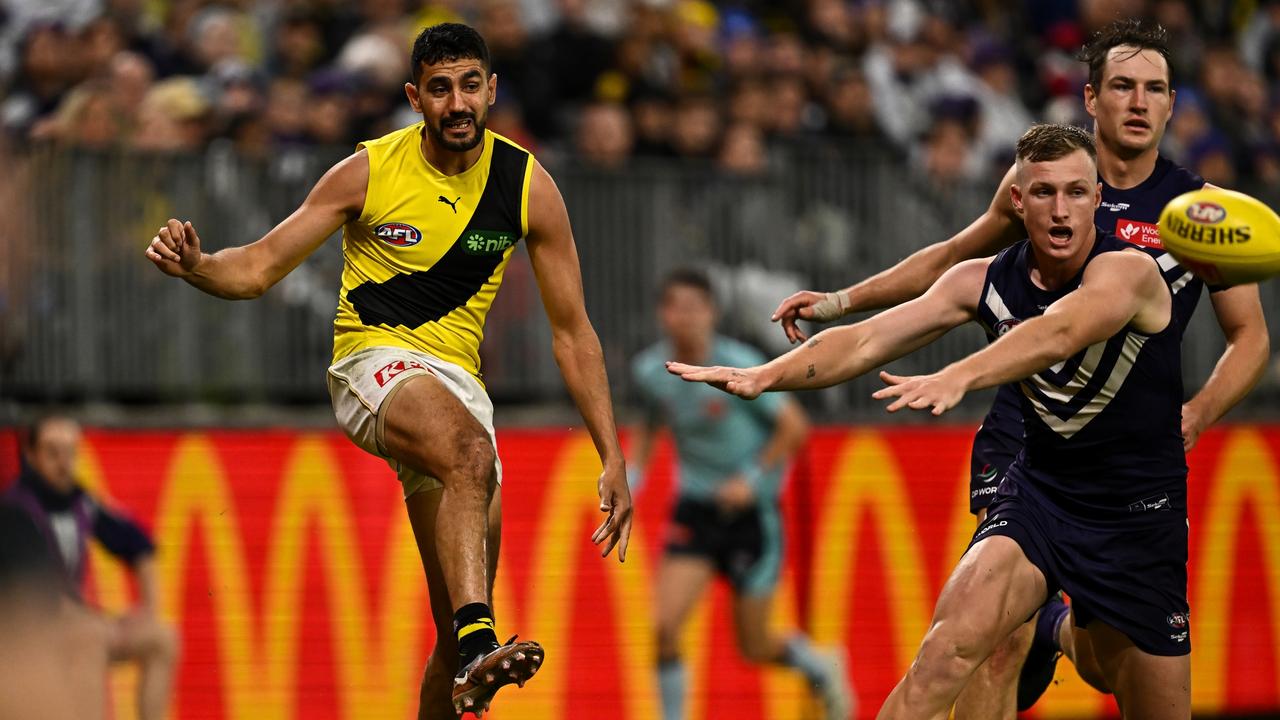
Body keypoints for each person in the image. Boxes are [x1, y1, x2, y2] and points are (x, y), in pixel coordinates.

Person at [769, 18, 1269, 717]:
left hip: (1131, 464)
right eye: (1122, 86)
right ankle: (1029, 623)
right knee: (985, 640)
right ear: (1090, 99)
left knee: (1107, 665)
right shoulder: (1048, 176)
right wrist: (842, 301)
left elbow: (1250, 338)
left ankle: (1061, 631)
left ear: (1172, 103)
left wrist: (1199, 412)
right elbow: (952, 260)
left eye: (1153, 88)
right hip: (1029, 437)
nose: (1137, 102)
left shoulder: (1200, 215)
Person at [144, 23, 634, 719]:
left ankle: (466, 658)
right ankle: (478, 645)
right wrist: (196, 265)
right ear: (415, 97)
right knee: (471, 464)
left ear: (492, 90)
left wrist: (611, 453)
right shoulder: (367, 172)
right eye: (440, 89)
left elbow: (573, 333)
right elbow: (255, 269)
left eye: (470, 85)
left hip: (458, 390)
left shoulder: (528, 186)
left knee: (451, 626)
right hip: (370, 364)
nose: (457, 103)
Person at [671, 123, 1194, 720]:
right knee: (944, 654)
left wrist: (962, 375)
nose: (1061, 210)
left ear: (1098, 200)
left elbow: (1060, 332)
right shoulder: (984, 281)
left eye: (1077, 193)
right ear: (1017, 202)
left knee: (1113, 671)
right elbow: (866, 342)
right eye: (1044, 193)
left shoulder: (1129, 272)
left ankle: (1056, 630)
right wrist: (768, 374)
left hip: (1137, 519)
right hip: (1043, 500)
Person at [629, 269, 853, 720]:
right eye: (676, 307)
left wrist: (750, 479)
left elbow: (795, 427)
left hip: (752, 517)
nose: (685, 318)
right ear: (663, 314)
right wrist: (629, 480)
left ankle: (819, 663)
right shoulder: (652, 371)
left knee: (753, 646)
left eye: (695, 308)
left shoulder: (740, 364)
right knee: (664, 627)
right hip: (696, 509)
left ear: (712, 313)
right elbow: (652, 425)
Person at [3, 415, 176, 720]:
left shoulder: (81, 502)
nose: (63, 463)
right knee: (89, 638)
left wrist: (149, 608)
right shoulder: (17, 509)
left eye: (70, 453)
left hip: (82, 620)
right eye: (52, 452)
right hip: (37, 630)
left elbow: (140, 547)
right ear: (31, 456)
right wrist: (90, 621)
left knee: (161, 638)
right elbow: (31, 591)